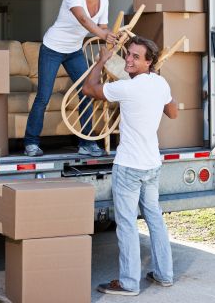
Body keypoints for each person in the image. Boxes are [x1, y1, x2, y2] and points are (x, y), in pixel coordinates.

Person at [82, 35, 178, 296]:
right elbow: (173, 112)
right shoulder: (160, 83)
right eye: (129, 54)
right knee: (155, 219)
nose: (129, 59)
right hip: (151, 165)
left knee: (126, 224)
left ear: (149, 62)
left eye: (137, 56)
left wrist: (101, 60)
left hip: (128, 167)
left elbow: (89, 89)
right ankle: (164, 274)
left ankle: (128, 283)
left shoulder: (127, 87)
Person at [24, 0, 116, 157]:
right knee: (44, 97)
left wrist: (112, 37)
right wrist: (103, 35)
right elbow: (84, 20)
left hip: (74, 51)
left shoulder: (104, 0)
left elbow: (104, 27)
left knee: (88, 91)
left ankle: (86, 143)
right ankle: (31, 143)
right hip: (52, 48)